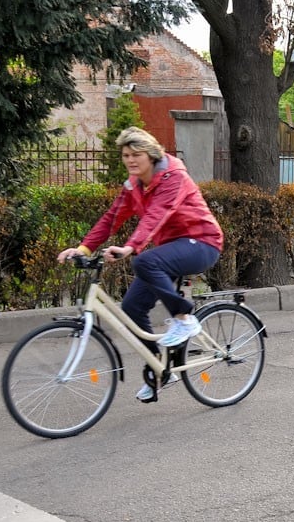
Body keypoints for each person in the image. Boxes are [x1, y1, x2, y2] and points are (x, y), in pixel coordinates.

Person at [58, 127, 224, 402]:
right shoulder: (133, 185)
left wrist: (130, 247)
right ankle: (160, 371)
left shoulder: (174, 177)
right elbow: (112, 218)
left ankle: (184, 319)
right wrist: (83, 248)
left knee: (145, 260)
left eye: (137, 154)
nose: (131, 160)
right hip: (170, 251)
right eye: (126, 155)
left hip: (202, 243)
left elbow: (157, 215)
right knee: (132, 307)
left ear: (151, 155)